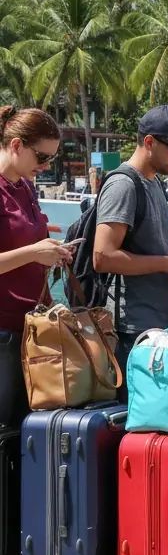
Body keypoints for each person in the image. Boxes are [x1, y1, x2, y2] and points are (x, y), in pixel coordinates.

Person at [94, 105, 168, 378]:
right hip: (132, 330)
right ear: (149, 142)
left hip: (157, 324)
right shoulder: (123, 185)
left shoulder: (155, 183)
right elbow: (103, 256)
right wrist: (167, 264)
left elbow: (147, 248)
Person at [0, 107, 77, 426]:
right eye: (42, 157)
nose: (46, 167)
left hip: (32, 329)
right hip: (4, 333)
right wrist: (34, 251)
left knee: (26, 430)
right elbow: (26, 250)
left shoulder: (25, 187)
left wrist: (50, 248)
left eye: (52, 160)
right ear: (16, 145)